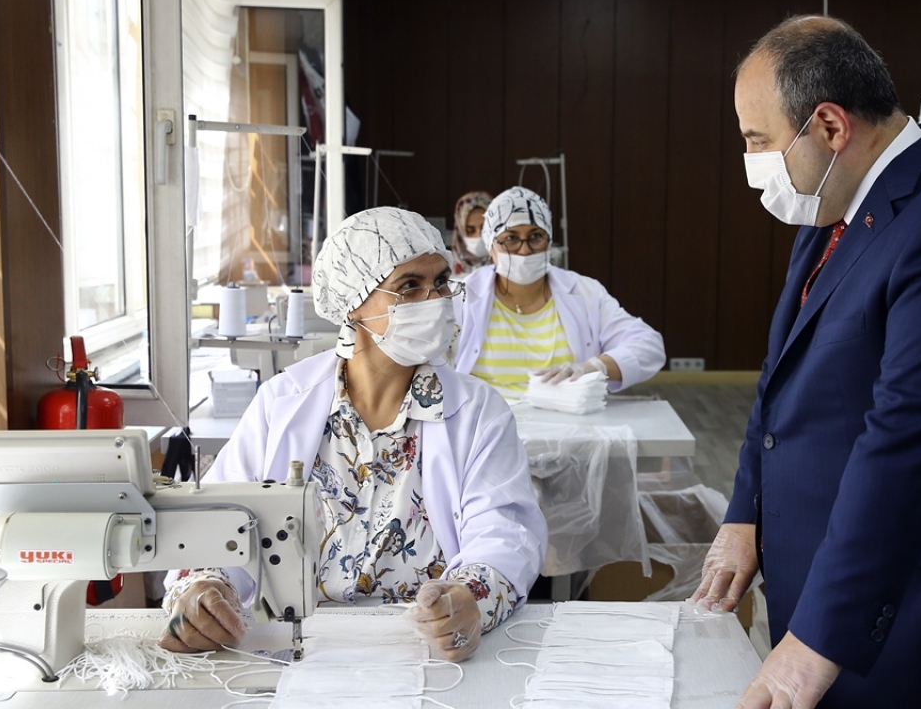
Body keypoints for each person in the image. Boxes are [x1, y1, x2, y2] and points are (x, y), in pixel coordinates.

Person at [692, 16, 921, 708]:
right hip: (825, 588)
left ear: (830, 126)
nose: (751, 161)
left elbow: (908, 446)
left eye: (757, 140)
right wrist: (747, 514)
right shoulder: (836, 209)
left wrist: (817, 639)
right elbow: (781, 380)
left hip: (916, 615)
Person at [160, 207, 547, 661]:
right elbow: (218, 521)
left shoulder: (478, 411)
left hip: (425, 651)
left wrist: (469, 600)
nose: (435, 300)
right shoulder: (282, 402)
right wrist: (202, 591)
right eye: (410, 286)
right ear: (352, 301)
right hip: (301, 649)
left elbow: (505, 532)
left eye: (441, 282)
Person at [453, 186, 665, 400]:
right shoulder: (460, 297)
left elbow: (649, 347)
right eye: (511, 238)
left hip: (567, 417)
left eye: (536, 236)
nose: (525, 250)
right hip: (487, 418)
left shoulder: (585, 293)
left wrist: (596, 367)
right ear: (490, 246)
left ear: (549, 241)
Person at [451, 190, 493, 277]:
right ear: (460, 231)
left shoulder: (510, 269)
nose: (479, 235)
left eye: (485, 228)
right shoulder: (446, 271)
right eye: (470, 230)